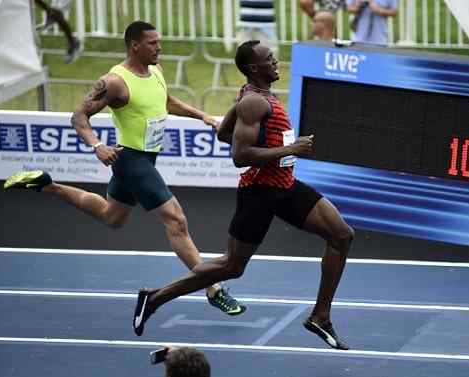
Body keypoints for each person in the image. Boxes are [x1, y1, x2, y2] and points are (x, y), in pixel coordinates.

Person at [3, 21, 246, 325]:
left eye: (159, 42)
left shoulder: (155, 71)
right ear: (135, 45)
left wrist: (203, 117)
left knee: (111, 216)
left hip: (144, 159)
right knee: (176, 220)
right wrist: (97, 146)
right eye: (153, 43)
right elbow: (79, 117)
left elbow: (166, 102)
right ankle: (213, 289)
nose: (160, 48)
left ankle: (48, 185)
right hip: (130, 160)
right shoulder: (115, 81)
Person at [132, 40, 354, 350]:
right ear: (253, 68)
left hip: (285, 185)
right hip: (260, 192)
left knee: (341, 235)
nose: (276, 61)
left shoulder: (253, 97)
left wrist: (278, 149)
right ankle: (154, 298)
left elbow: (225, 133)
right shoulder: (253, 102)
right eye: (269, 59)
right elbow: (240, 154)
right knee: (232, 267)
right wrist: (290, 148)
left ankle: (320, 316)